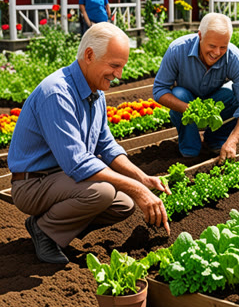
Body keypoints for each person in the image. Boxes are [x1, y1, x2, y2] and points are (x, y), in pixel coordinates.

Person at [8, 23, 170, 265]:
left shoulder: (96, 92)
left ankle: (52, 228)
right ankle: (45, 231)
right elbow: (78, 163)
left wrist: (142, 179)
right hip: (33, 183)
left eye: (122, 67)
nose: (119, 75)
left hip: (62, 179)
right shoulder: (57, 93)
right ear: (90, 55)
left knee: (123, 203)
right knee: (102, 192)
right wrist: (138, 190)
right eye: (114, 66)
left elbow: (106, 145)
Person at [153, 12, 239, 161]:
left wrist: (233, 141)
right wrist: (187, 108)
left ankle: (216, 139)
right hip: (186, 101)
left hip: (214, 100)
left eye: (223, 47)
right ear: (200, 35)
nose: (217, 52)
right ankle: (190, 149)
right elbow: (159, 90)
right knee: (178, 93)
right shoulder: (178, 49)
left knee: (235, 95)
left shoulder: (235, 58)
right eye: (212, 46)